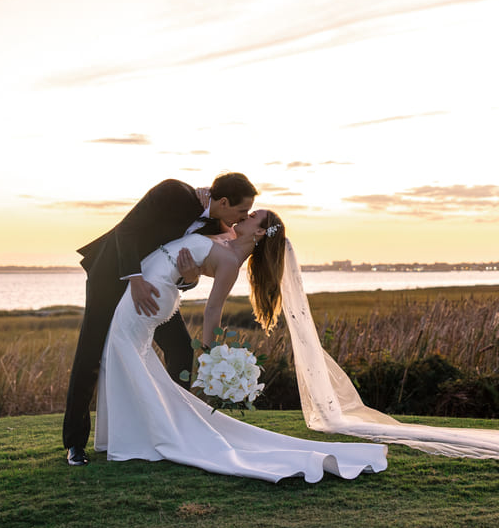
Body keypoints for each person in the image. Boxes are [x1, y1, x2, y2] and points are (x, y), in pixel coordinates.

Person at [94, 209, 389, 482]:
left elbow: (213, 310)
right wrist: (190, 273)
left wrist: (206, 357)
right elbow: (190, 270)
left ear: (259, 233)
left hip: (153, 294)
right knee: (128, 359)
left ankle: (138, 438)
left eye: (253, 217)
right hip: (159, 288)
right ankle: (129, 436)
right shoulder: (224, 238)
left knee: (120, 354)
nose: (245, 216)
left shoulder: (231, 263)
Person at [62, 173, 257, 466]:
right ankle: (75, 444)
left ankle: (176, 424)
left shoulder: (214, 226)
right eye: (241, 211)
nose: (243, 218)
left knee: (180, 348)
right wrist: (135, 279)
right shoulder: (173, 192)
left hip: (154, 287)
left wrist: (188, 280)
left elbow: (188, 270)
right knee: (91, 352)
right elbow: (126, 231)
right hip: (112, 273)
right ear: (224, 202)